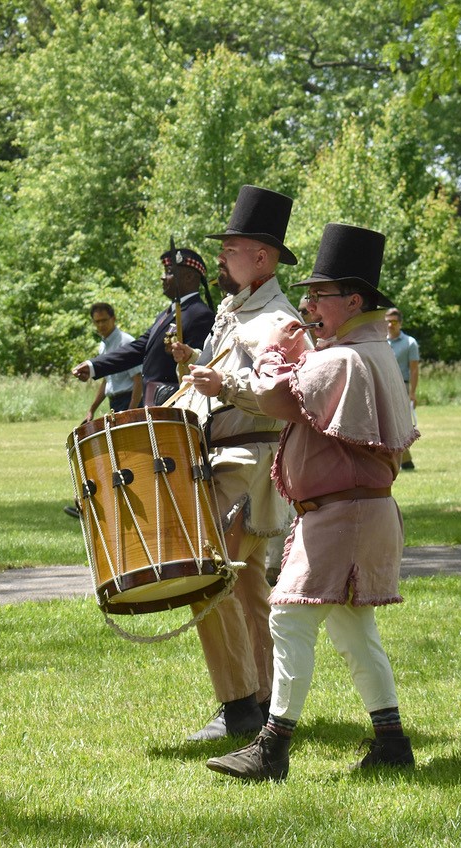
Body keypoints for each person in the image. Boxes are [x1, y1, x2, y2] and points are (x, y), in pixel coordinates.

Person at [200, 223, 417, 781]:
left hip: (340, 515)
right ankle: (391, 740)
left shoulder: (340, 359)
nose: (309, 304)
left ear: (353, 299)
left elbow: (277, 397)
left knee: (288, 619)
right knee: (353, 631)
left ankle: (271, 749)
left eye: (320, 295)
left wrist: (253, 368)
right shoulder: (364, 350)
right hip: (358, 512)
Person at [170, 185, 305, 742]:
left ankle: (238, 704)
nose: (221, 260)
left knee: (208, 575)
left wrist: (223, 381)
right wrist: (199, 365)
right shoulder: (237, 309)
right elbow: (230, 370)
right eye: (223, 249)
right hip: (229, 454)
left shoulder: (278, 317)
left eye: (231, 249)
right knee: (247, 586)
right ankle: (267, 700)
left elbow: (286, 390)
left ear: (263, 258)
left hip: (247, 457)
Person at [71, 246, 214, 408]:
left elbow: (197, 366)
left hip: (178, 406)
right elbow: (138, 349)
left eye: (169, 272)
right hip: (155, 403)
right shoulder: (167, 314)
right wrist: (93, 366)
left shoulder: (199, 314)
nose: (163, 277)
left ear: (189, 277)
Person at [64, 302, 142, 519]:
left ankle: (109, 509)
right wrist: (91, 409)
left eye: (104, 321)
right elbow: (106, 381)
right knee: (108, 455)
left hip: (129, 401)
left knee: (123, 457)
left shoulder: (126, 342)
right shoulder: (103, 346)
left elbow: (138, 380)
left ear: (114, 319)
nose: (101, 325)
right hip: (114, 402)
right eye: (97, 322)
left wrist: (130, 413)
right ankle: (95, 508)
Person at [385, 307, 420, 470]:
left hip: (402, 385)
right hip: (383, 385)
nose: (390, 325)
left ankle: (405, 461)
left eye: (393, 322)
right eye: (387, 321)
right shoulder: (381, 341)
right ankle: (403, 461)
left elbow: (414, 369)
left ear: (400, 323)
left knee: (400, 424)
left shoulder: (410, 343)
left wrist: (412, 393)